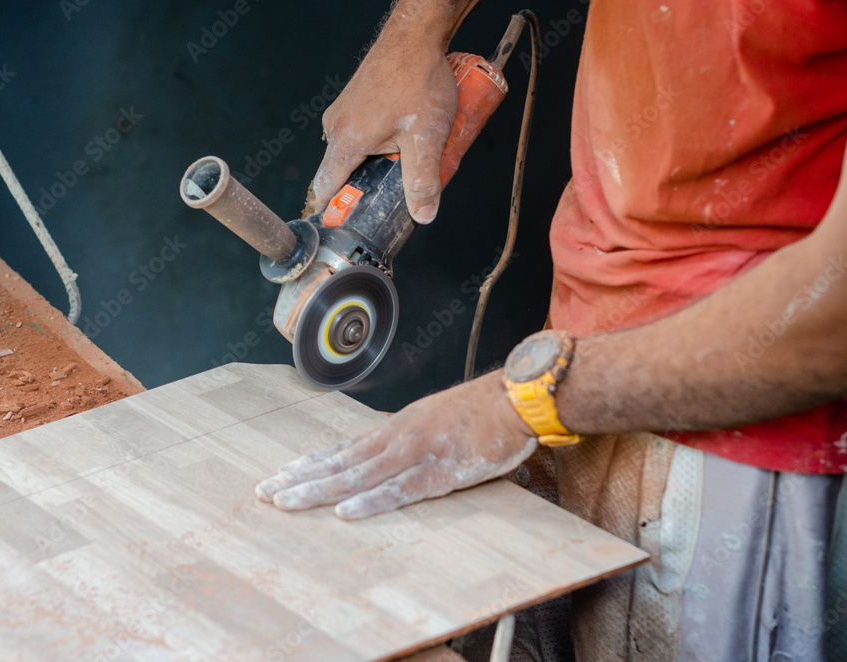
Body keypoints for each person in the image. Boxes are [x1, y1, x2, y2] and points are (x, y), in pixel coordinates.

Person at [256, 1, 847, 659]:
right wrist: (416, 33)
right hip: (572, 341)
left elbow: (833, 321)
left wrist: (523, 401)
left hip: (733, 428)